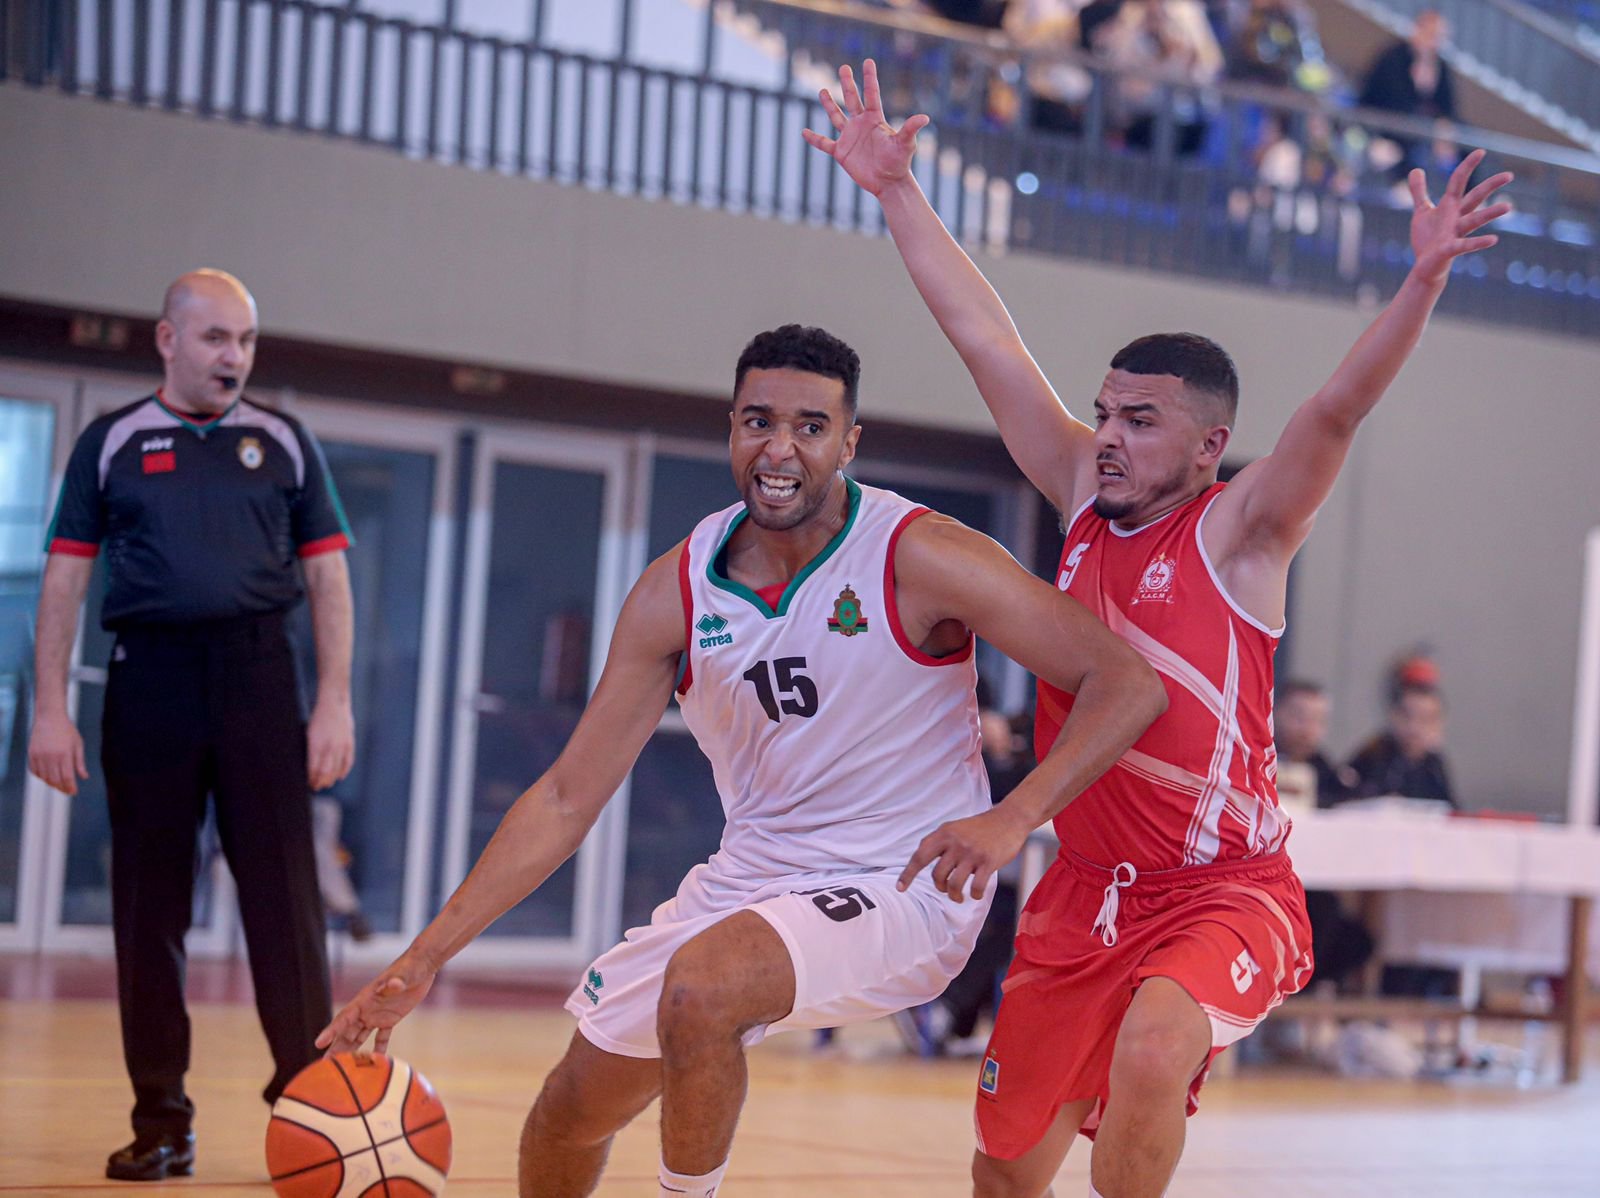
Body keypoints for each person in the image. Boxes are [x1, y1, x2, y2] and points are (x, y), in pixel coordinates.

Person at [803, 59, 1510, 1196]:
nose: (1109, 436)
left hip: (1223, 888)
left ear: (1207, 448)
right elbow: (986, 341)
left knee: (1152, 1048)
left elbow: (1336, 411)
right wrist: (895, 190)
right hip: (1084, 887)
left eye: (1140, 420)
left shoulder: (1243, 534)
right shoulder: (1083, 495)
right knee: (1004, 1175)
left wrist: (1422, 278)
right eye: (1103, 414)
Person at [318, 324, 1167, 1198]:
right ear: (732, 427)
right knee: (566, 1115)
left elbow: (1126, 683)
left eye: (810, 427)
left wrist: (1014, 817)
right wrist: (424, 957)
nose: (780, 448)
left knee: (703, 989)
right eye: (759, 421)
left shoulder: (919, 553)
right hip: (751, 880)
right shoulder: (679, 587)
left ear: (848, 443)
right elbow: (568, 796)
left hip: (907, 880)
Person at [27, 269, 356, 1181]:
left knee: (287, 906)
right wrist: (49, 706)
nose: (233, 357)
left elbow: (329, 577)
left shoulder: (283, 441)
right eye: (215, 338)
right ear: (168, 340)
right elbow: (65, 578)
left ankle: (309, 1110)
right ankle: (161, 1121)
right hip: (150, 681)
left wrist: (333, 699)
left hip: (260, 678)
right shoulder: (111, 441)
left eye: (245, 340)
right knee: (150, 910)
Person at [1347, 682, 1456, 807]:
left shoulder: (1434, 765)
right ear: (1394, 716)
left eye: (1425, 719)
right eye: (1407, 716)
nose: (1414, 727)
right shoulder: (1374, 754)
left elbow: (1450, 808)